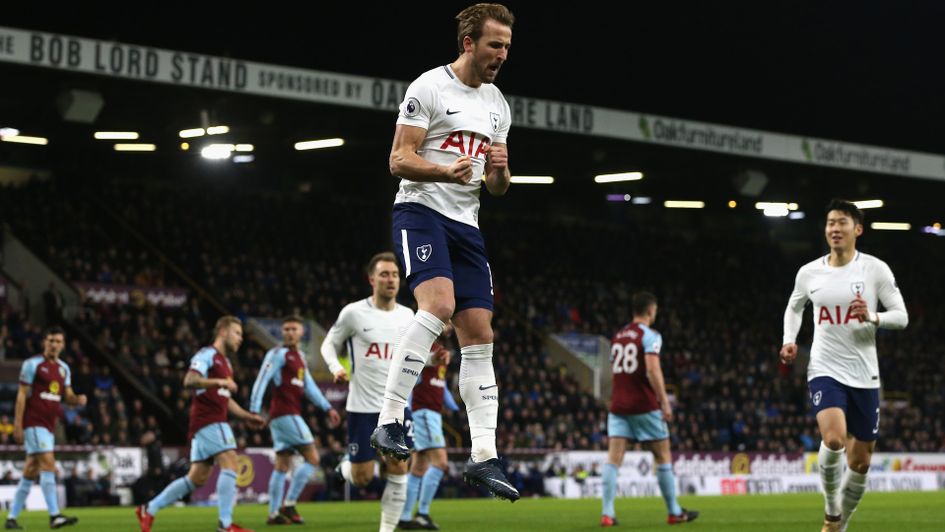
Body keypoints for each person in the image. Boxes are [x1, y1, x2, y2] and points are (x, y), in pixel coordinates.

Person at [370, 2, 519, 502]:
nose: (502, 54)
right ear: (469, 44)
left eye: (507, 46)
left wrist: (498, 170)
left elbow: (495, 187)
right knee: (438, 306)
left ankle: (484, 457)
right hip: (421, 211)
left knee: (480, 334)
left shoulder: (498, 104)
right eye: (495, 44)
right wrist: (443, 171)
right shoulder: (428, 87)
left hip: (467, 224)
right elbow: (398, 159)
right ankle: (390, 418)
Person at [781, 199, 908, 532]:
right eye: (830, 223)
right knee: (835, 439)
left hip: (865, 373)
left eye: (841, 223)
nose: (834, 229)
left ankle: (840, 524)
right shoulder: (809, 272)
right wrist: (789, 339)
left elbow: (902, 316)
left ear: (858, 229)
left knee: (861, 463)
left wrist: (873, 316)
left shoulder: (875, 269)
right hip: (824, 367)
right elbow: (794, 307)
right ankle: (831, 510)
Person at [136, 316, 265, 532]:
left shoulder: (226, 363)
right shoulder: (207, 355)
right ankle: (225, 525)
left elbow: (224, 398)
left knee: (196, 478)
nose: (240, 339)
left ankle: (149, 509)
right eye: (237, 333)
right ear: (223, 332)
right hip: (209, 420)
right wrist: (220, 381)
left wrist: (246, 416)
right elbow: (190, 380)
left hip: (206, 423)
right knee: (231, 463)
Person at [320, 252, 418, 532]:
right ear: (371, 279)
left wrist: (435, 359)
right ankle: (346, 468)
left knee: (399, 468)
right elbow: (329, 344)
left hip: (398, 407)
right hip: (362, 408)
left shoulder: (407, 315)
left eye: (395, 275)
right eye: (385, 274)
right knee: (362, 478)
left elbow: (412, 355)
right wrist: (334, 367)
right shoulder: (353, 313)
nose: (391, 279)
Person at [600, 292, 698, 527]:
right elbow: (653, 370)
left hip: (618, 405)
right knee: (663, 456)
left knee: (613, 459)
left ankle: (607, 513)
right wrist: (664, 401)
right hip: (644, 405)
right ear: (651, 311)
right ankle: (674, 511)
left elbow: (615, 371)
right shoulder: (650, 335)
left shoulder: (618, 336)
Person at [249, 315, 341, 525]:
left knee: (282, 465)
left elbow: (309, 387)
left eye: (294, 329)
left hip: (282, 417)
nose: (290, 332)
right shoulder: (278, 354)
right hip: (285, 414)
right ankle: (289, 504)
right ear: (282, 332)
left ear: (301, 333)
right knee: (313, 459)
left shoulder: (299, 356)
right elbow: (261, 380)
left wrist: (328, 408)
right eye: (286, 329)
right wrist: (254, 410)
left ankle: (273, 514)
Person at [6, 326, 86, 530]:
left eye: (58, 341)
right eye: (51, 340)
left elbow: (66, 396)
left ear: (63, 344)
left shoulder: (63, 368)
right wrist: (17, 424)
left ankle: (11, 518)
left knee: (30, 471)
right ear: (44, 342)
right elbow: (22, 395)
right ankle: (54, 515)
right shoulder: (32, 364)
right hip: (34, 423)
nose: (54, 344)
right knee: (49, 465)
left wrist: (77, 399)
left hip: (49, 425)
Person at [398, 330, 460, 530]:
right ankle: (422, 513)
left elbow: (440, 387)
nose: (450, 325)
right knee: (440, 463)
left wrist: (456, 408)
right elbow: (409, 376)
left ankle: (405, 516)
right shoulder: (422, 347)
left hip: (431, 413)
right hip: (423, 412)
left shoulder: (441, 352)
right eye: (447, 321)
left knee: (419, 467)